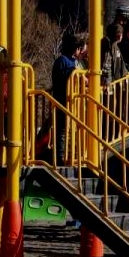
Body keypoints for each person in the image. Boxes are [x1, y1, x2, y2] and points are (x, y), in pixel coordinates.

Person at [51, 31, 87, 162]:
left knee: (68, 129)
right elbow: (64, 78)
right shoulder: (63, 61)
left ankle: (69, 154)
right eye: (80, 49)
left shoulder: (70, 61)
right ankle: (60, 156)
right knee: (61, 129)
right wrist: (77, 74)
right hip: (63, 99)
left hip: (71, 100)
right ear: (76, 49)